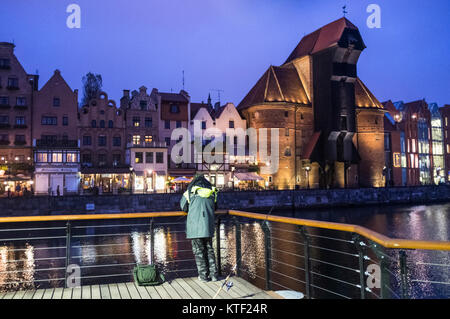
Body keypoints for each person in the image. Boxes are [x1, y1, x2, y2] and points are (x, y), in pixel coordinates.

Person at [180, 174, 219, 282]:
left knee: (199, 251)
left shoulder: (190, 192)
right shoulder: (212, 191)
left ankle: (203, 276)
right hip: (208, 226)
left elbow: (183, 207)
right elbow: (215, 207)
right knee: (209, 250)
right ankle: (214, 275)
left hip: (195, 227)